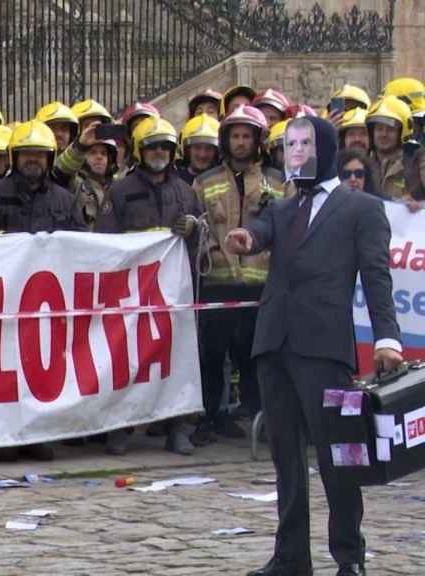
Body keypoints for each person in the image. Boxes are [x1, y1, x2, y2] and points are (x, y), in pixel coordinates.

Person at [224, 115, 402, 576]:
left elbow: (377, 276)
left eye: (303, 143)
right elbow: (259, 231)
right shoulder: (283, 208)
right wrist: (246, 238)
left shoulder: (360, 209)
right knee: (286, 458)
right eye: (289, 144)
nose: (294, 152)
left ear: (323, 148)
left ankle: (349, 557)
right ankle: (290, 557)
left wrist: (387, 338)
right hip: (274, 342)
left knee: (337, 457)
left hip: (324, 348)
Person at [0, 120, 84, 463]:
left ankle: (38, 435)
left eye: (40, 155)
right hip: (3, 300)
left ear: (49, 160)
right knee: (5, 369)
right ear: (14, 157)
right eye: (26, 154)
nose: (33, 160)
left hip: (46, 301)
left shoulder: (65, 198)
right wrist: (11, 246)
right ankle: (7, 436)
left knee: (41, 371)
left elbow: (81, 238)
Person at [96, 116, 203, 456]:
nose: (160, 152)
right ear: (141, 151)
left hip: (176, 295)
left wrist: (194, 229)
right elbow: (104, 241)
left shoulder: (186, 192)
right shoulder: (120, 191)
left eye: (166, 147)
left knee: (179, 361)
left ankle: (180, 428)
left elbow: (202, 242)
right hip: (132, 293)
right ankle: (120, 429)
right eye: (153, 146)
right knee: (126, 360)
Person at [190, 105, 285, 445]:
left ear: (259, 140)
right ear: (225, 140)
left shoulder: (278, 181)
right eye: (235, 136)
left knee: (254, 356)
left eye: (247, 136)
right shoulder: (205, 181)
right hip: (218, 281)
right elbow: (196, 225)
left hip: (261, 284)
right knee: (212, 354)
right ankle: (211, 417)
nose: (241, 142)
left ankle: (259, 417)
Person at [51, 122, 118, 229]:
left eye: (103, 153)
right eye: (93, 152)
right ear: (83, 158)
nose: (99, 157)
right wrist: (81, 146)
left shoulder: (118, 186)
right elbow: (61, 171)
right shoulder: (75, 184)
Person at [366, 95, 412, 201]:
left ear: (402, 132)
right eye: (379, 128)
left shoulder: (414, 166)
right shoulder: (362, 166)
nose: (383, 134)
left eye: (390, 129)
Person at [175, 113, 220, 185]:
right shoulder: (174, 181)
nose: (202, 155)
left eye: (208, 148)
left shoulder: (227, 180)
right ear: (187, 150)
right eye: (197, 147)